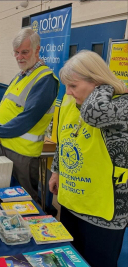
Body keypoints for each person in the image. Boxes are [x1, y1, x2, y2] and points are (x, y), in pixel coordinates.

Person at [48, 50, 128, 267]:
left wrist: (106, 86)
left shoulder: (119, 105)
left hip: (104, 212)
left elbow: (94, 114)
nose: (68, 92)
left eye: (73, 86)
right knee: (69, 261)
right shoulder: (69, 101)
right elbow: (63, 140)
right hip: (72, 202)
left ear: (97, 81)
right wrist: (56, 171)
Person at [0, 28, 59, 202]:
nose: (20, 57)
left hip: (23, 154)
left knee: (22, 201)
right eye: (16, 53)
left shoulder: (45, 79)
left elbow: (28, 118)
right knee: (4, 194)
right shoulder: (21, 75)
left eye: (24, 52)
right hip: (5, 145)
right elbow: (4, 106)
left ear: (37, 50)